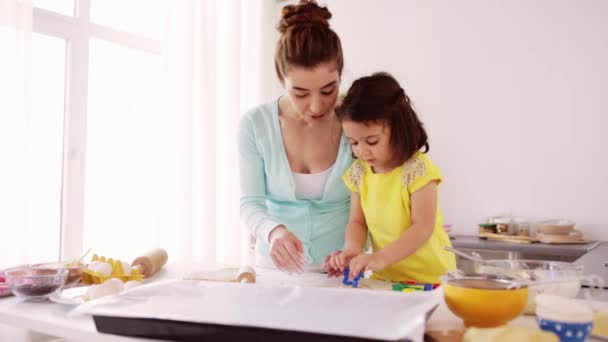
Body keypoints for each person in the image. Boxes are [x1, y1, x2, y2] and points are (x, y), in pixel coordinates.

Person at [239, 0, 352, 272]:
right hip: (273, 270)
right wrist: (273, 231)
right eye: (300, 93)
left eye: (328, 90)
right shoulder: (255, 124)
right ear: (281, 79)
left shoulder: (357, 118)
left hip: (342, 273)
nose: (316, 106)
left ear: (340, 75)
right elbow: (250, 204)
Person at [324, 72, 456, 283]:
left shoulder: (418, 171)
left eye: (372, 141)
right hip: (387, 280)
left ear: (398, 128)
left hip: (431, 279)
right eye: (354, 143)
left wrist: (381, 257)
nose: (362, 152)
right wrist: (351, 249)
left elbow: (423, 227)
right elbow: (357, 222)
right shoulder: (359, 173)